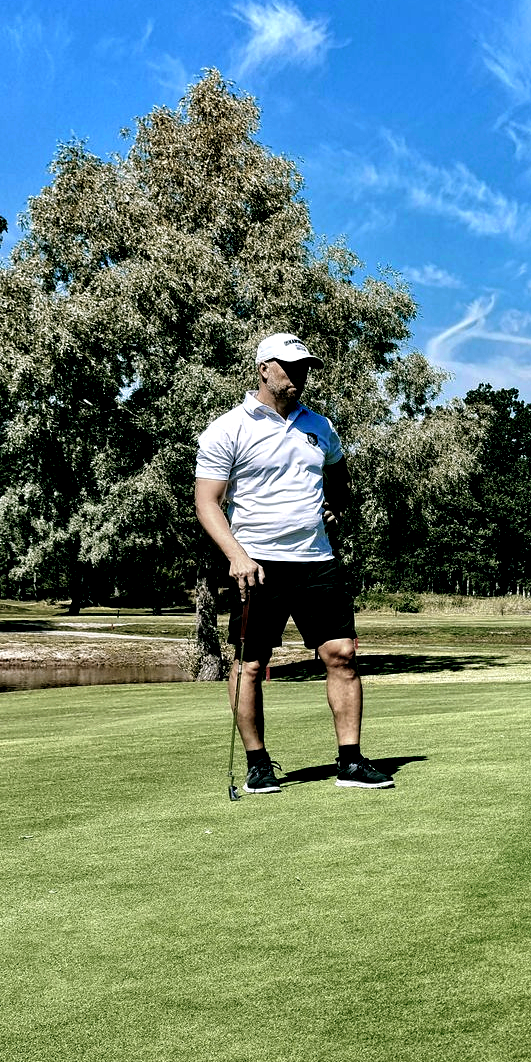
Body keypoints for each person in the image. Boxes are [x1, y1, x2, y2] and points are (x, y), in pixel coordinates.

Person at [193, 334, 394, 793]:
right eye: (289, 366)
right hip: (257, 561)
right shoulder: (229, 428)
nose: (298, 375)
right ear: (263, 368)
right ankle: (258, 762)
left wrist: (336, 507)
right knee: (250, 664)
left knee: (341, 654)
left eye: (304, 367)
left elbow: (340, 485)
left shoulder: (320, 426)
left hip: (316, 560)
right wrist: (236, 555)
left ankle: (351, 761)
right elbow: (207, 503)